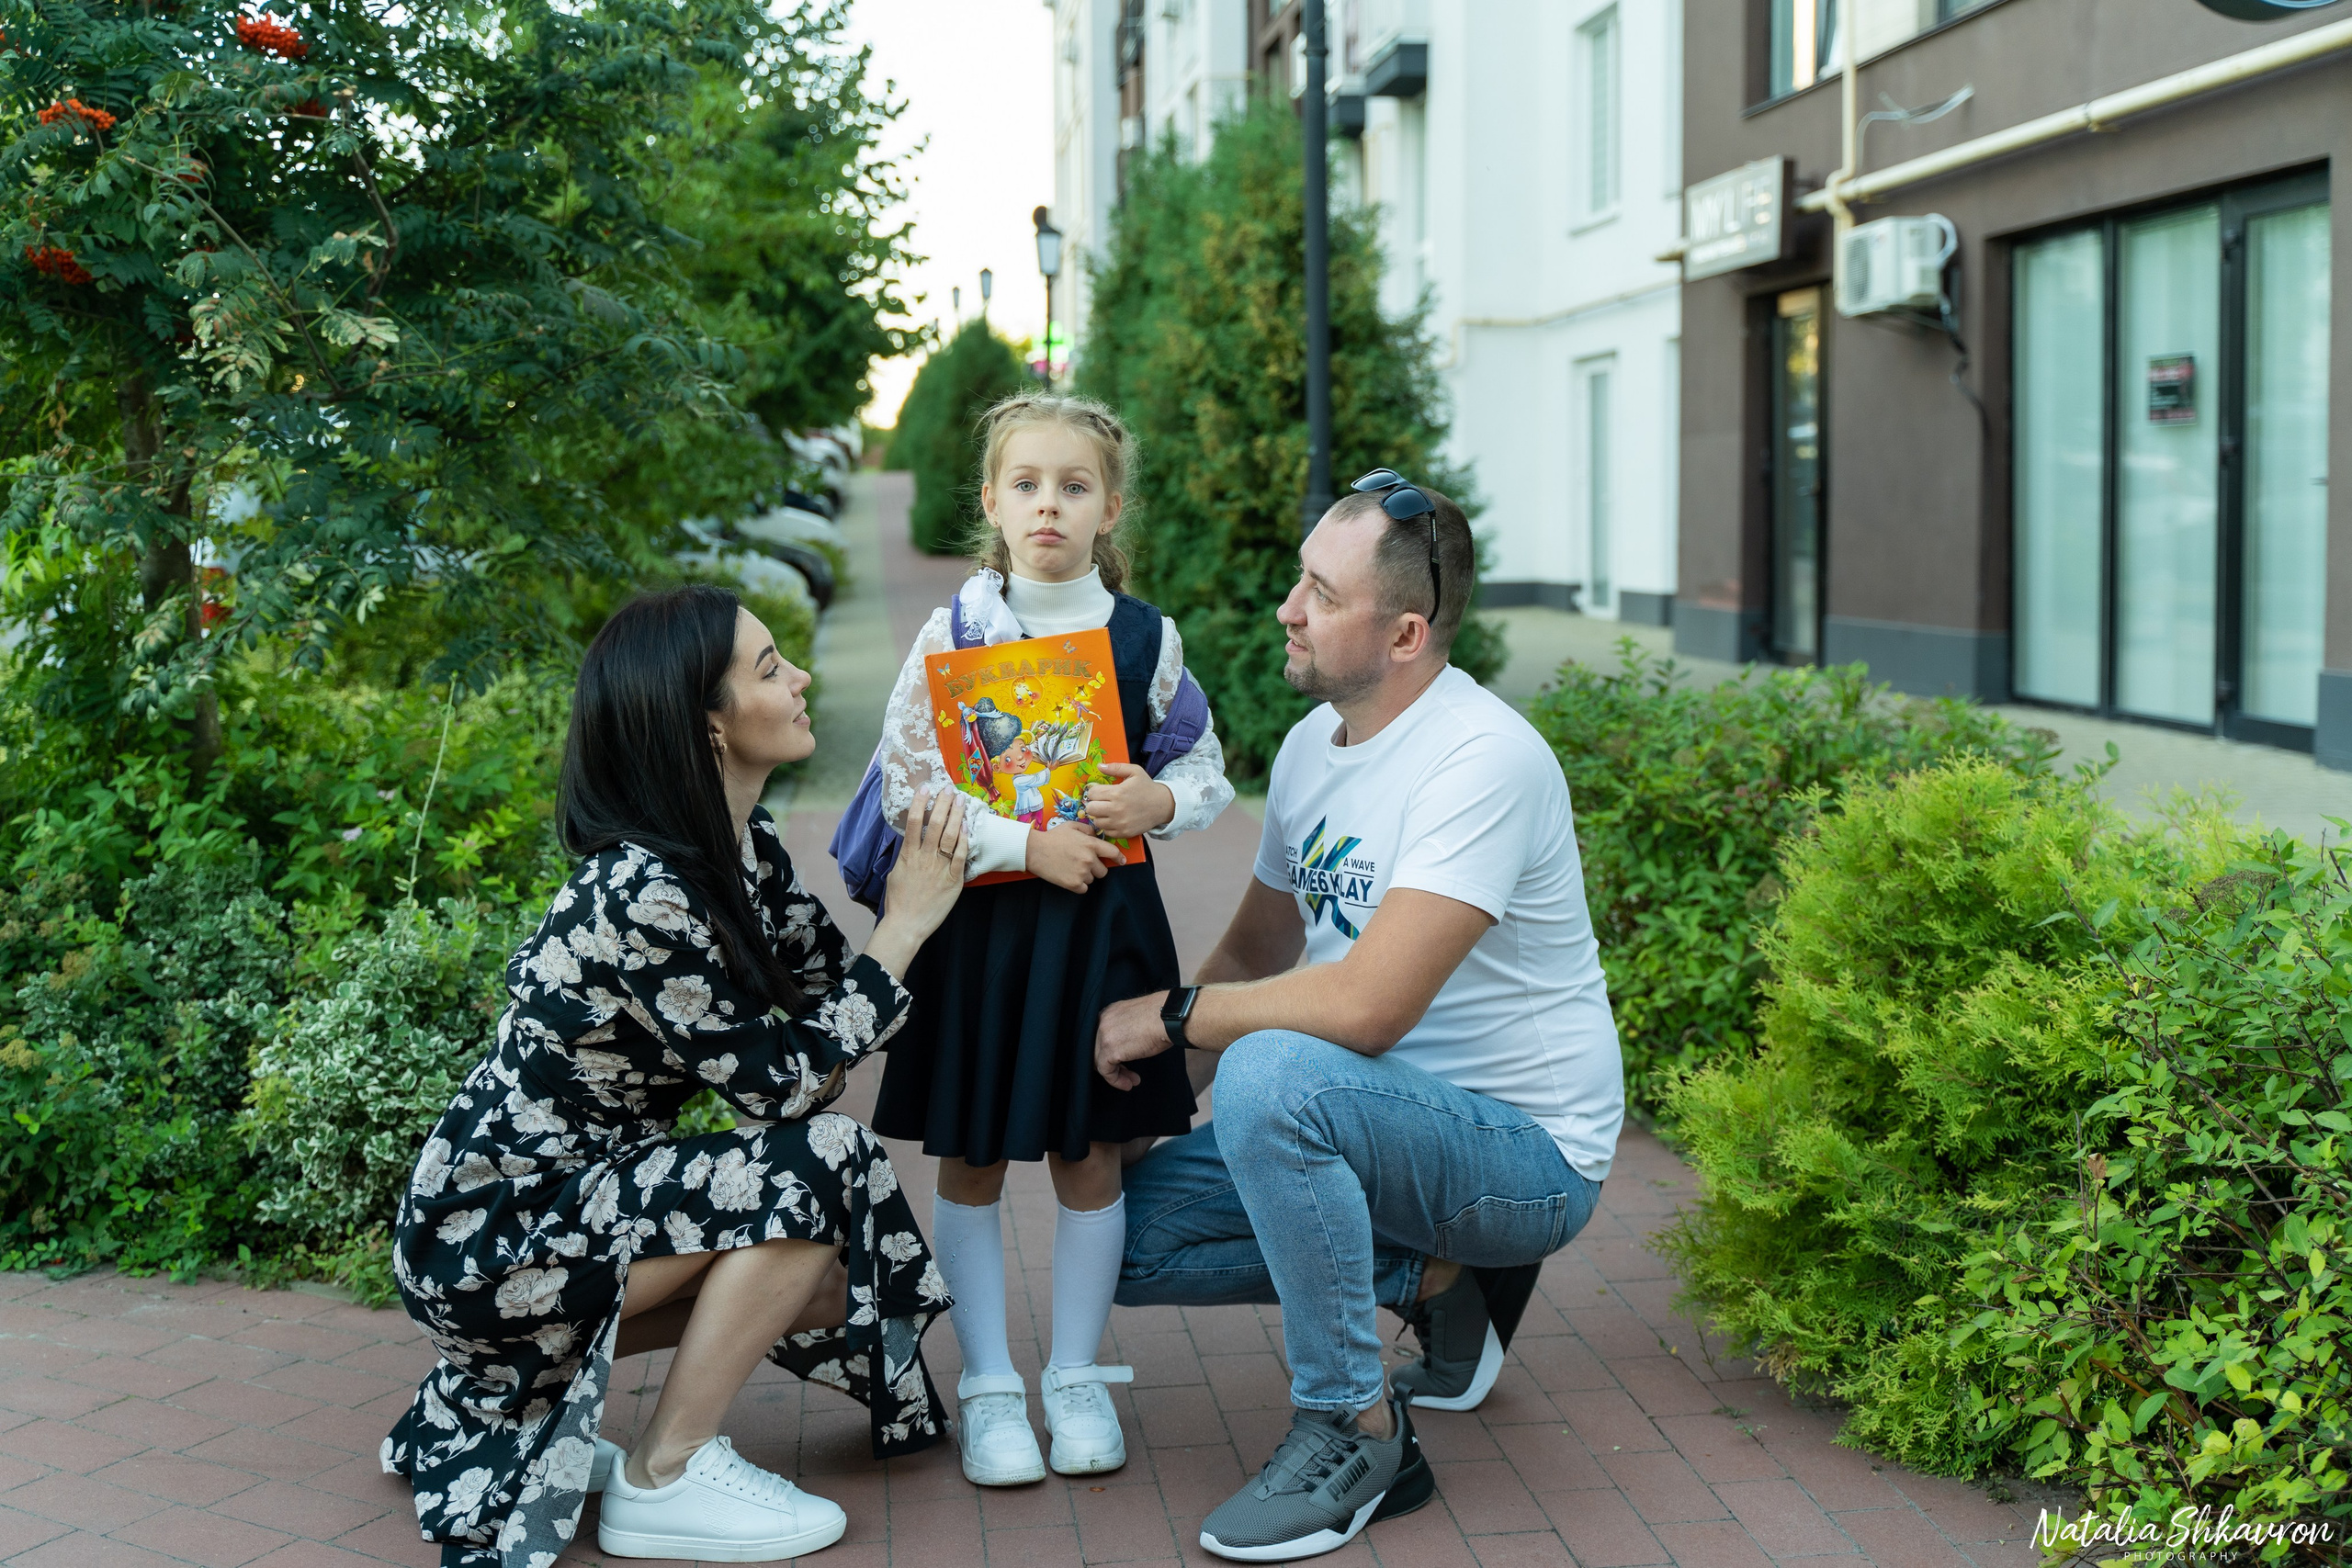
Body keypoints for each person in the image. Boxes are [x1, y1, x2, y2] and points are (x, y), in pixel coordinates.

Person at [1095, 473, 1625, 1562]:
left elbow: (1370, 1008)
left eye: (1319, 594)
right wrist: (1135, 1106)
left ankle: (1357, 1426)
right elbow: (1257, 950)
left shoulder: (1483, 759)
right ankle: (1436, 1274)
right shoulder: (1308, 749)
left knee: (1268, 1075)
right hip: (1370, 1121)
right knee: (1103, 1233)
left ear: (1405, 632)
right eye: (1299, 580)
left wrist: (1176, 1019)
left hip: (1521, 1153)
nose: (1287, 608)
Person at [384, 586, 970, 1565]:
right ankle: (666, 1473)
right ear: (708, 721)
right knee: (816, 1162)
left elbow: (832, 992)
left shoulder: (740, 850)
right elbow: (787, 1087)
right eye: (772, 667)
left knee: (827, 1282)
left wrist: (975, 850)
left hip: (583, 1204)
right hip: (491, 1232)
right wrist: (902, 926)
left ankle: (527, 1386)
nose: (802, 679)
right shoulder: (638, 889)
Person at [860, 393, 1234, 1487]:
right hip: (985, 937)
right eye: (1026, 484)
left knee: (1089, 1149)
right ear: (991, 500)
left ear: (1109, 506)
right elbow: (904, 784)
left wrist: (1156, 808)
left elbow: (1204, 765)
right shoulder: (958, 632)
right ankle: (988, 1389)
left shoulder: (1144, 637)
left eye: (1074, 487)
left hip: (1106, 935)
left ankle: (1073, 1378)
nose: (1049, 505)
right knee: (972, 1156)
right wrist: (1027, 850)